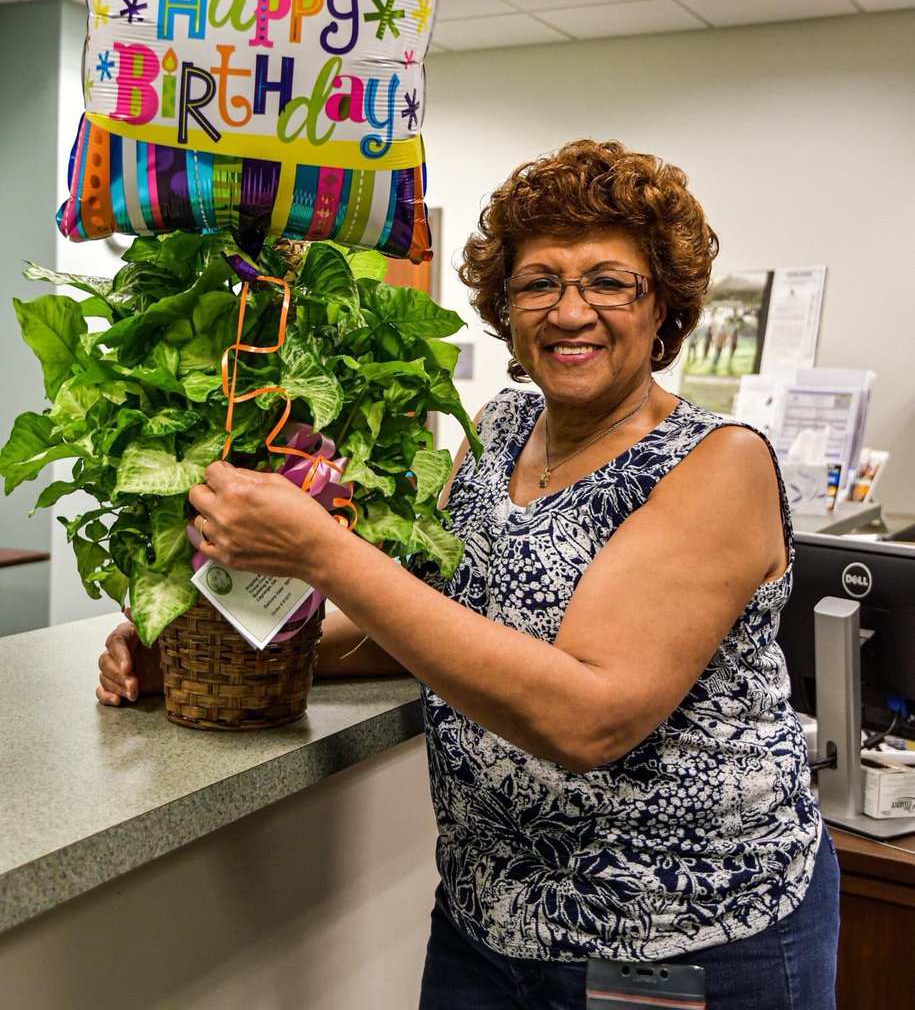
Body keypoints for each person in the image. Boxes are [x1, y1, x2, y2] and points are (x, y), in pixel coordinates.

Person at [97, 139, 839, 1009]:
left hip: (679, 934)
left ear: (663, 308)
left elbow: (588, 718)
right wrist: (199, 653)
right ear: (505, 307)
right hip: (486, 920)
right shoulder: (499, 426)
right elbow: (418, 623)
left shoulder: (717, 464)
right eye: (538, 284)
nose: (570, 311)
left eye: (608, 281)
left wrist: (323, 551)